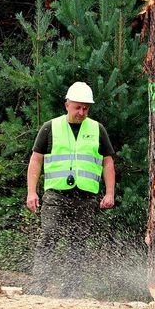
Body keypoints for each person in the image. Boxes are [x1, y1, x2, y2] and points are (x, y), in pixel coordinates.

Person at [25, 81, 116, 297]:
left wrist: (110, 192)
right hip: (56, 194)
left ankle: (71, 289)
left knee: (79, 242)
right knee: (49, 237)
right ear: (67, 105)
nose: (82, 112)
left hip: (86, 196)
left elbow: (108, 162)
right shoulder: (50, 127)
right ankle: (39, 285)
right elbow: (36, 161)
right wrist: (31, 191)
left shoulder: (97, 129)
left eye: (86, 108)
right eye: (77, 107)